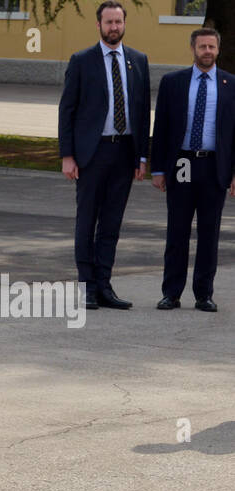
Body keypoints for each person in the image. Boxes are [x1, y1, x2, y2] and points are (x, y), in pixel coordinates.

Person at [57, 1, 150, 310]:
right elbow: (67, 110)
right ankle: (87, 287)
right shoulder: (82, 61)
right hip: (91, 153)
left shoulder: (138, 61)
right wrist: (67, 155)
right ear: (98, 25)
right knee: (87, 220)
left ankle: (105, 285)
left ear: (124, 24)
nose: (114, 27)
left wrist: (142, 157)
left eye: (118, 22)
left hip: (124, 152)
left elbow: (141, 111)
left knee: (111, 223)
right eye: (109, 22)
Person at [150, 27, 235, 312]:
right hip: (182, 163)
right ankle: (171, 293)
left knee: (209, 233)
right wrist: (158, 169)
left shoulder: (230, 84)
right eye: (202, 47)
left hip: (214, 165)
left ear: (218, 49)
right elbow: (160, 128)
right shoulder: (173, 82)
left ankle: (204, 295)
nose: (207, 51)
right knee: (177, 231)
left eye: (212, 47)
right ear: (193, 49)